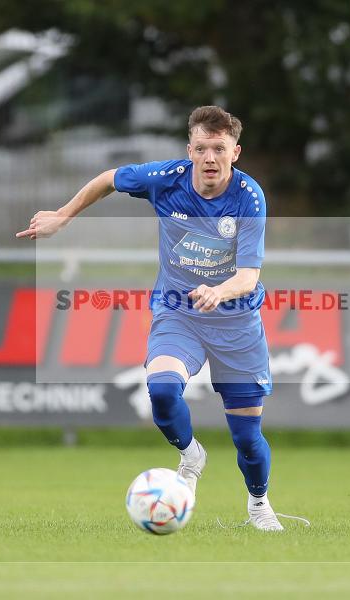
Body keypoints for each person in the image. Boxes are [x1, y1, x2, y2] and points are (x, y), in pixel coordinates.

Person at [16, 106, 305, 531]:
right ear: (190, 150)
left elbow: (247, 277)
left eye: (219, 148)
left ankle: (259, 504)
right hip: (178, 312)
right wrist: (63, 215)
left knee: (246, 436)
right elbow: (108, 179)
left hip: (236, 322)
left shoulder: (249, 197)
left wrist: (218, 290)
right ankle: (191, 454)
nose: (210, 157)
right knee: (163, 390)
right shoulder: (165, 179)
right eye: (202, 148)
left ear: (235, 152)